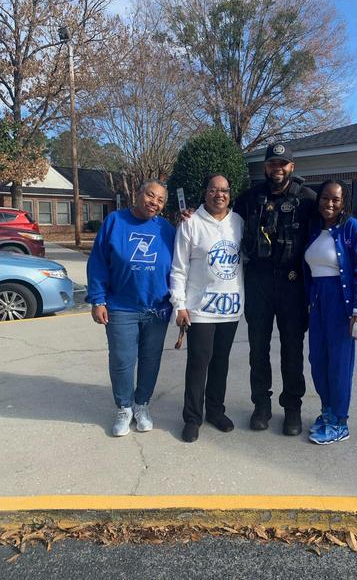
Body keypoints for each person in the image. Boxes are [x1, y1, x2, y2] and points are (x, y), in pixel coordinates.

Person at [233, 143, 317, 436]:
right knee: (258, 348)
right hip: (259, 282)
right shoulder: (248, 198)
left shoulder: (308, 199)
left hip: (292, 285)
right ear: (265, 167)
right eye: (272, 164)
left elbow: (333, 223)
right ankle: (261, 405)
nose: (277, 169)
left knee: (292, 349)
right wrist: (191, 216)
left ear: (292, 167)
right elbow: (221, 222)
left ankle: (292, 408)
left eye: (283, 164)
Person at [87, 180, 175, 437]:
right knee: (122, 360)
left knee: (150, 360)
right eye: (150, 195)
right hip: (121, 307)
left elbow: (181, 263)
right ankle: (124, 407)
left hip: (157, 308)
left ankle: (142, 404)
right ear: (138, 194)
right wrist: (98, 300)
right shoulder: (115, 221)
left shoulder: (166, 229)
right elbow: (98, 262)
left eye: (160, 200)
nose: (154, 202)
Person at [170, 174, 244, 443]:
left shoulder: (239, 222)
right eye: (213, 189)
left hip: (230, 308)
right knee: (198, 363)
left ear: (230, 194)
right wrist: (179, 304)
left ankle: (215, 411)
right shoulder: (190, 223)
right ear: (205, 193)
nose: (219, 195)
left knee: (220, 363)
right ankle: (192, 417)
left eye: (224, 190)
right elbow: (179, 268)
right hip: (199, 309)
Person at [304, 180, 357, 445]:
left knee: (339, 364)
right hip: (318, 301)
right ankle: (327, 411)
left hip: (341, 302)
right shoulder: (314, 228)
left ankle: (339, 422)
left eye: (336, 199)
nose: (330, 204)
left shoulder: (353, 228)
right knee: (318, 360)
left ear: (344, 202)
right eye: (325, 198)